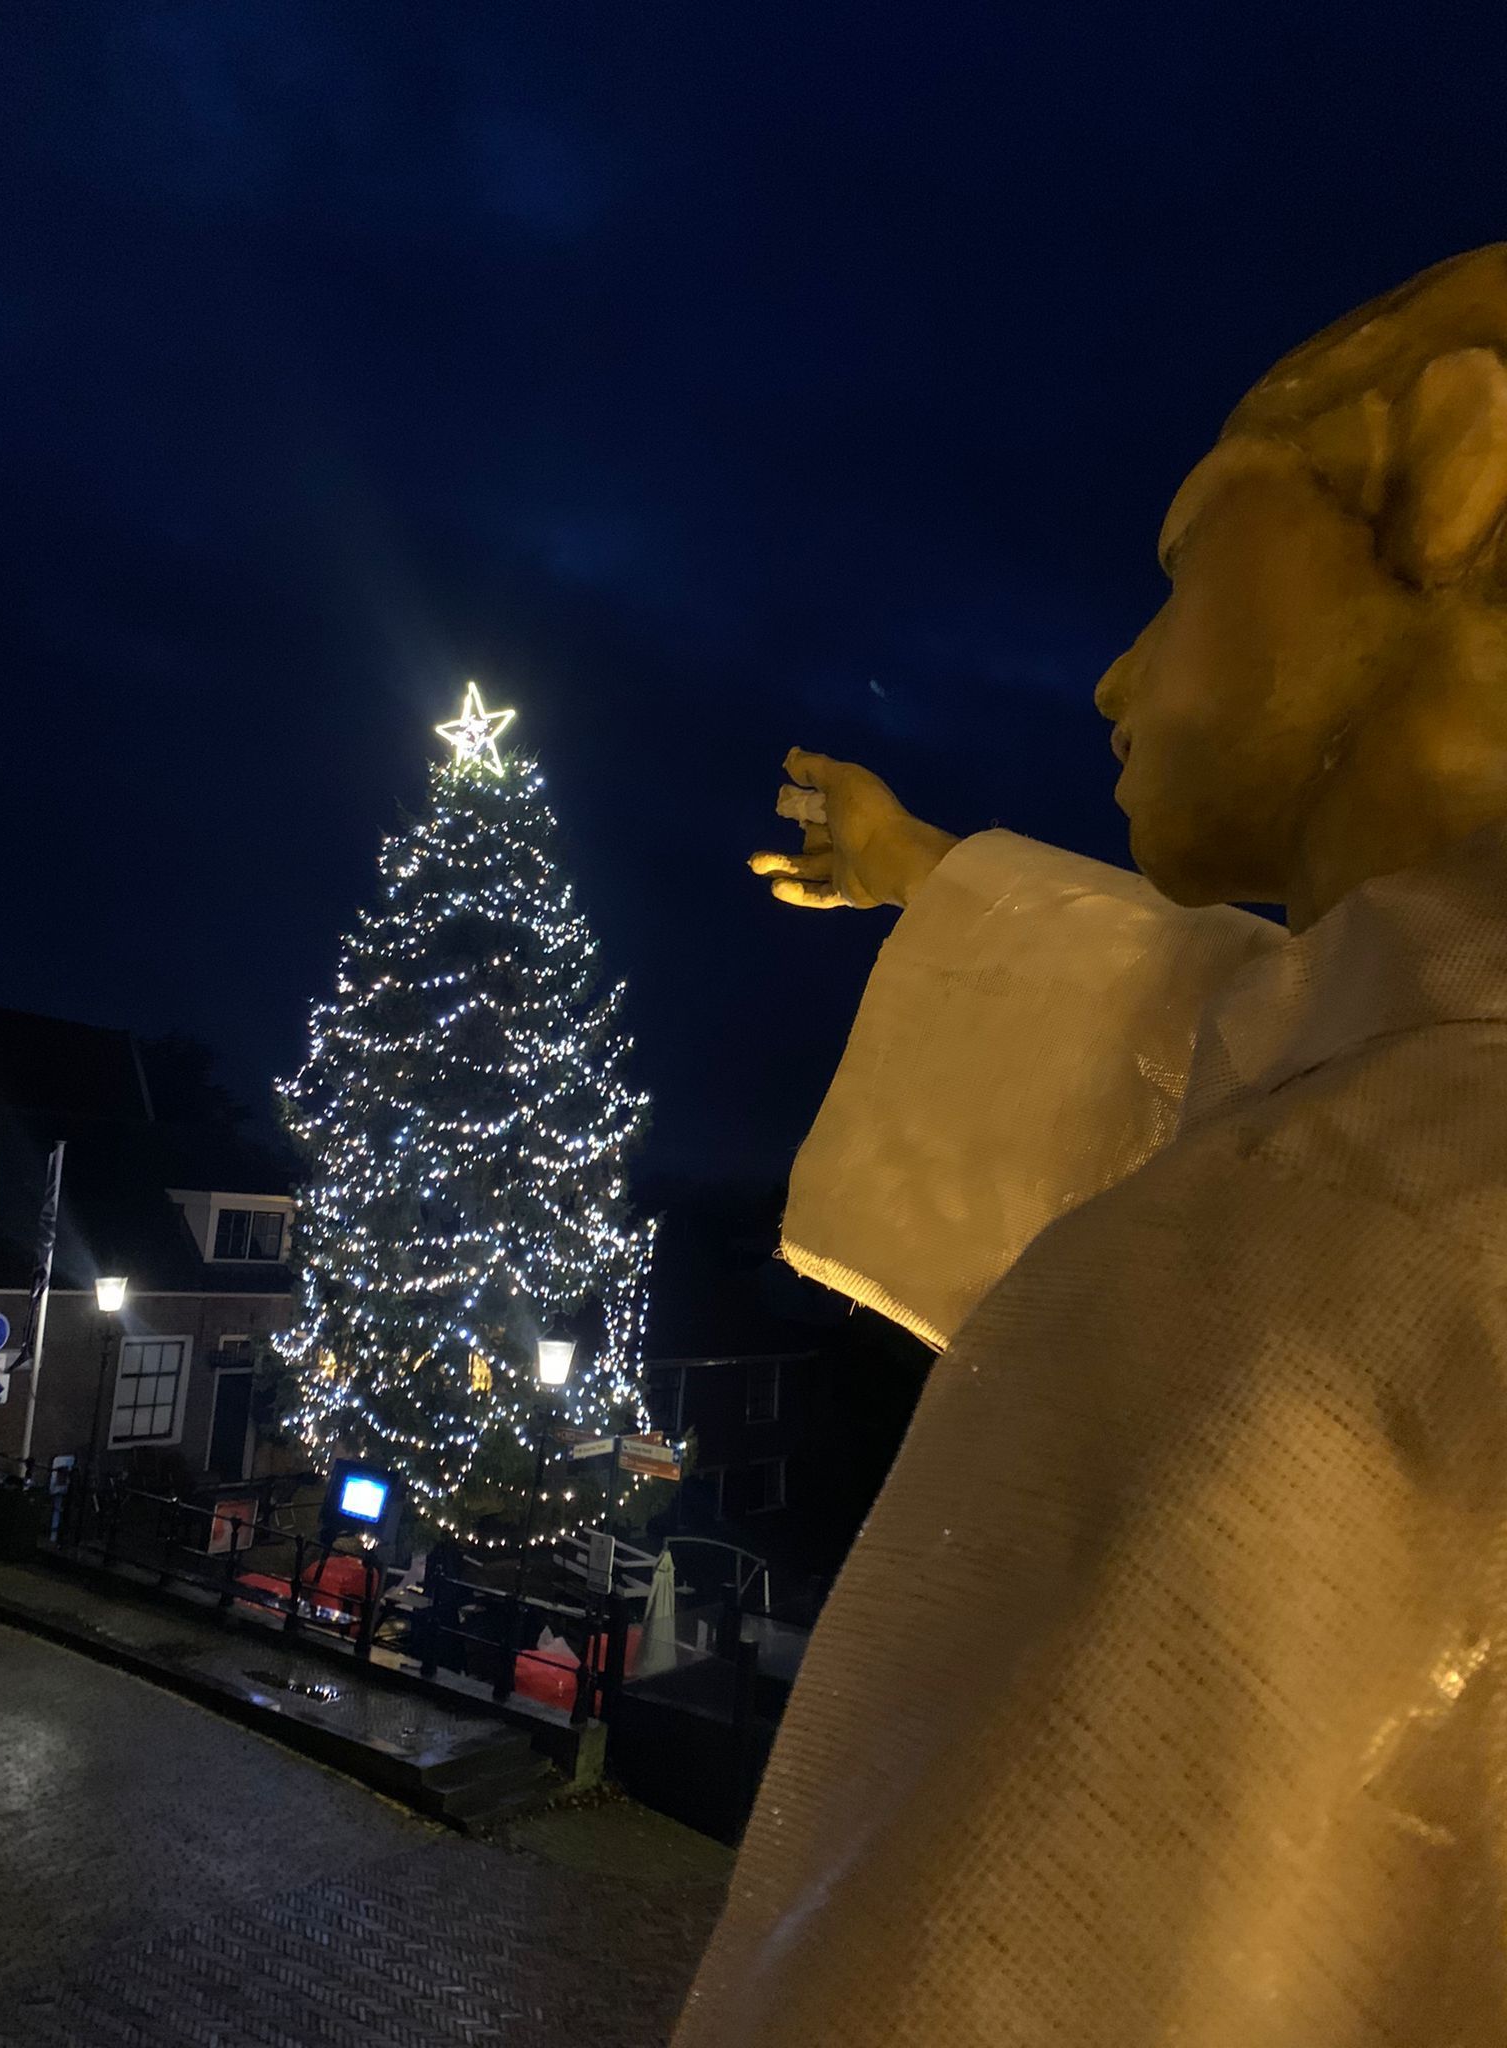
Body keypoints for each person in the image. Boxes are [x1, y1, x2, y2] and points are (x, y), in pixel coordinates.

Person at [675, 245, 1507, 2046]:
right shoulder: (1403, 1088)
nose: (1120, 680)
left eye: (1186, 566)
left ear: (1459, 471)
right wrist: (923, 875)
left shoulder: (1327, 1253)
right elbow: (1226, 1020)